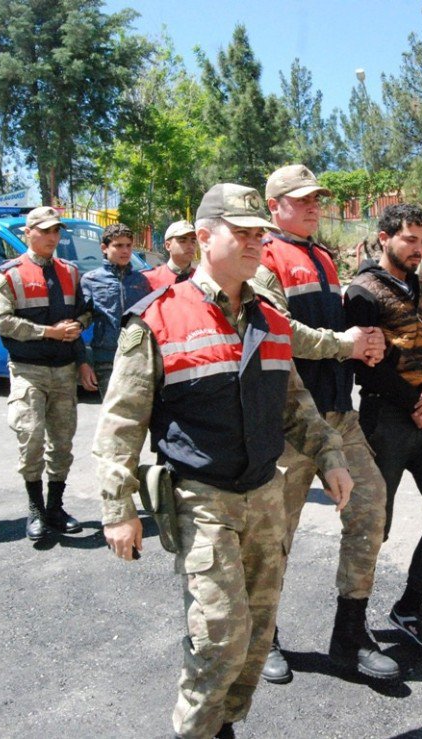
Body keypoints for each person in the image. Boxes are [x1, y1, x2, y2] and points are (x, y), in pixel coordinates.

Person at [95, 183, 353, 739]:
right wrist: (118, 507)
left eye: (261, 233)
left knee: (257, 636)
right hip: (200, 498)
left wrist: (329, 455)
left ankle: (223, 725)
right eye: (243, 232)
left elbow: (295, 404)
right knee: (218, 637)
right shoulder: (158, 320)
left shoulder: (271, 320)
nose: (257, 242)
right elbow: (120, 423)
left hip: (265, 495)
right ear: (205, 236)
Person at [252, 164, 396, 683]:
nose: (314, 205)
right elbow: (276, 331)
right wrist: (345, 343)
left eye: (317, 198)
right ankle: (263, 636)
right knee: (275, 535)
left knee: (370, 508)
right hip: (290, 421)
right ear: (275, 206)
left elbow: (339, 331)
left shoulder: (324, 258)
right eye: (302, 199)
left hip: (338, 413)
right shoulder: (262, 256)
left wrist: (366, 346)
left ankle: (350, 634)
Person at [345, 203, 422, 652]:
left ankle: (410, 607)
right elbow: (367, 368)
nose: (418, 249)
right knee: (375, 526)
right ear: (385, 238)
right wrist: (416, 399)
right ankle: (353, 626)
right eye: (409, 240)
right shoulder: (361, 292)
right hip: (386, 421)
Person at [0, 205, 98, 542]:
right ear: (28, 233)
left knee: (62, 443)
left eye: (56, 232)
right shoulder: (9, 274)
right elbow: (1, 322)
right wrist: (48, 332)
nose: (53, 237)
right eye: (46, 231)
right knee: (31, 437)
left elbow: (84, 315)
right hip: (28, 371)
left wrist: (79, 348)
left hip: (64, 370)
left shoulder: (70, 271)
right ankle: (35, 509)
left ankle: (55, 506)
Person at [81, 223, 151, 398]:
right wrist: (82, 363)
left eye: (128, 245)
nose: (125, 251)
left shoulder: (141, 280)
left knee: (136, 413)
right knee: (112, 412)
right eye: (118, 245)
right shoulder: (91, 280)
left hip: (137, 357)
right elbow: (80, 322)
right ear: (104, 248)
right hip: (106, 359)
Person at [145, 220, 198, 289]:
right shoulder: (150, 279)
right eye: (183, 241)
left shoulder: (201, 280)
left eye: (193, 241)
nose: (190, 246)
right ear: (168, 245)